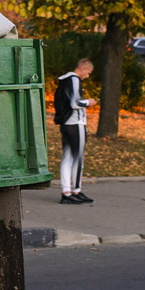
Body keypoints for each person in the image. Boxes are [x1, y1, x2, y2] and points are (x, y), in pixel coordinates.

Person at [54, 59, 97, 204]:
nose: (88, 76)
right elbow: (75, 103)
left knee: (67, 157)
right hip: (76, 123)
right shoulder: (74, 80)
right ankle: (76, 190)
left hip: (65, 124)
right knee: (78, 158)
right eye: (88, 73)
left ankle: (66, 192)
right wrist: (89, 102)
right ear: (83, 68)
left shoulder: (64, 80)